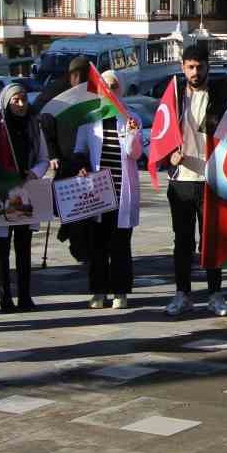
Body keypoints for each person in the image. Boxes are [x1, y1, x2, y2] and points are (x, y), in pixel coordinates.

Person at [71, 70, 143, 310]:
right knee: (97, 244)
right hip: (98, 191)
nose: (110, 91)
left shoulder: (131, 117)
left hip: (122, 189)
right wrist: (81, 166)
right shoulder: (90, 119)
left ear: (120, 89)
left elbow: (135, 154)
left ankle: (120, 290)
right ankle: (98, 291)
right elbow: (79, 149)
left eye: (114, 86)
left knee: (121, 244)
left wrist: (132, 133)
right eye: (106, 87)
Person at [164, 44, 226, 318]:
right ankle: (182, 293)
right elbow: (161, 132)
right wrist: (169, 157)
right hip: (182, 180)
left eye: (199, 66)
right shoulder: (174, 96)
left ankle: (215, 294)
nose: (195, 72)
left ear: (207, 66)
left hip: (212, 178)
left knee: (212, 239)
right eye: (190, 67)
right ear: (182, 67)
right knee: (183, 240)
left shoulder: (220, 95)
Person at [0, 82, 49, 314]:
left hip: (27, 190)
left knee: (23, 246)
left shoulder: (35, 126)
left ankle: (25, 295)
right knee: (2, 245)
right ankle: (5, 297)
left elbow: (43, 157)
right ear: (6, 103)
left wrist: (34, 173)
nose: (21, 104)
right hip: (4, 190)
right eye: (16, 100)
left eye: (23, 100)